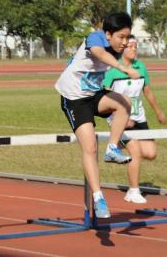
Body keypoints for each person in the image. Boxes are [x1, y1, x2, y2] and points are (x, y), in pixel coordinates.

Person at [55, 12, 140, 219]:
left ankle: (112, 148)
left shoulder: (119, 48)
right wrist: (122, 68)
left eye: (128, 37)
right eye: (121, 37)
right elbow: (99, 54)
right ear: (108, 34)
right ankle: (98, 197)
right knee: (90, 147)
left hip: (94, 94)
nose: (125, 42)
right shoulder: (95, 37)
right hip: (74, 98)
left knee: (124, 102)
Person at [103, 36, 166, 203]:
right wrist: (118, 118)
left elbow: (148, 91)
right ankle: (133, 191)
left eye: (135, 47)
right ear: (122, 48)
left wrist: (158, 112)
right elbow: (103, 99)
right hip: (121, 121)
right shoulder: (112, 71)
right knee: (135, 151)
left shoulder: (141, 68)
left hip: (140, 119)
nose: (133, 49)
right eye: (130, 46)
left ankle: (116, 150)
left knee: (151, 153)